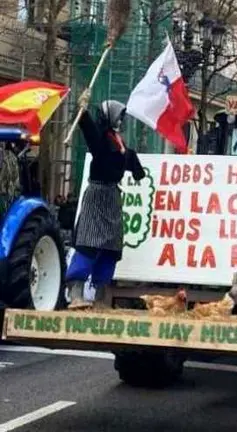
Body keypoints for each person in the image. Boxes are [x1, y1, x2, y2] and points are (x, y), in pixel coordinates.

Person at [65, 89, 146, 309]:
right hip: (97, 195)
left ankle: (100, 298)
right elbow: (87, 126)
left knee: (111, 248)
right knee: (88, 243)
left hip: (112, 197)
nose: (121, 120)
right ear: (108, 117)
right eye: (119, 116)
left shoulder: (118, 143)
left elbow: (131, 160)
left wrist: (138, 172)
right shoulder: (100, 139)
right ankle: (76, 294)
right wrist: (82, 110)